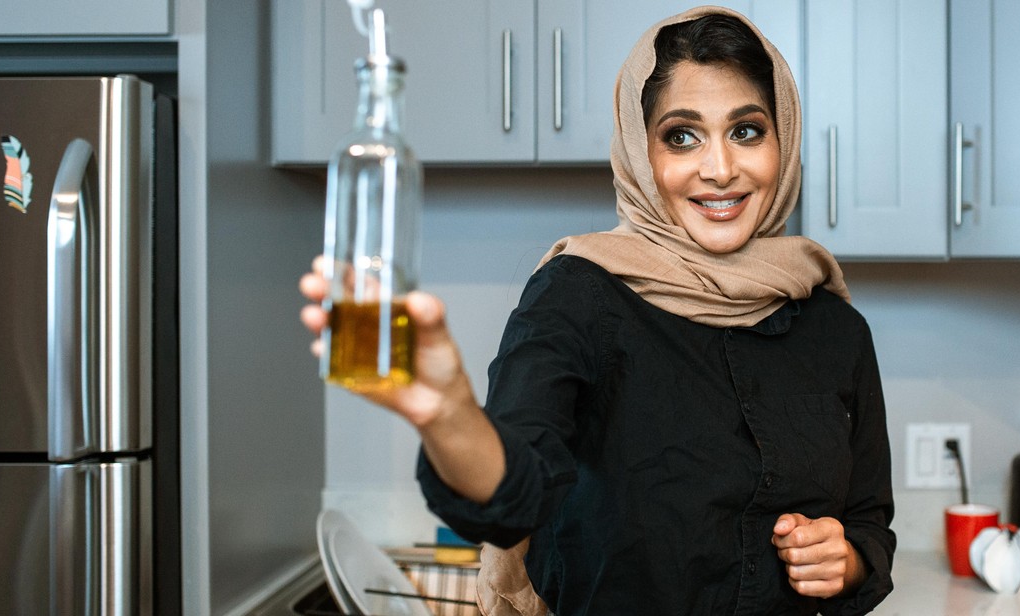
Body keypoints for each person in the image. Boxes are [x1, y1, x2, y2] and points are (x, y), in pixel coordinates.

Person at [300, 6, 894, 615]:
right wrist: (449, 413)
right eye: (681, 136)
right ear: (640, 150)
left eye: (747, 130)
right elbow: (518, 497)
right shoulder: (577, 294)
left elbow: (870, 523)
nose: (720, 169)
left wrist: (845, 561)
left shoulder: (834, 327)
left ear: (784, 139)